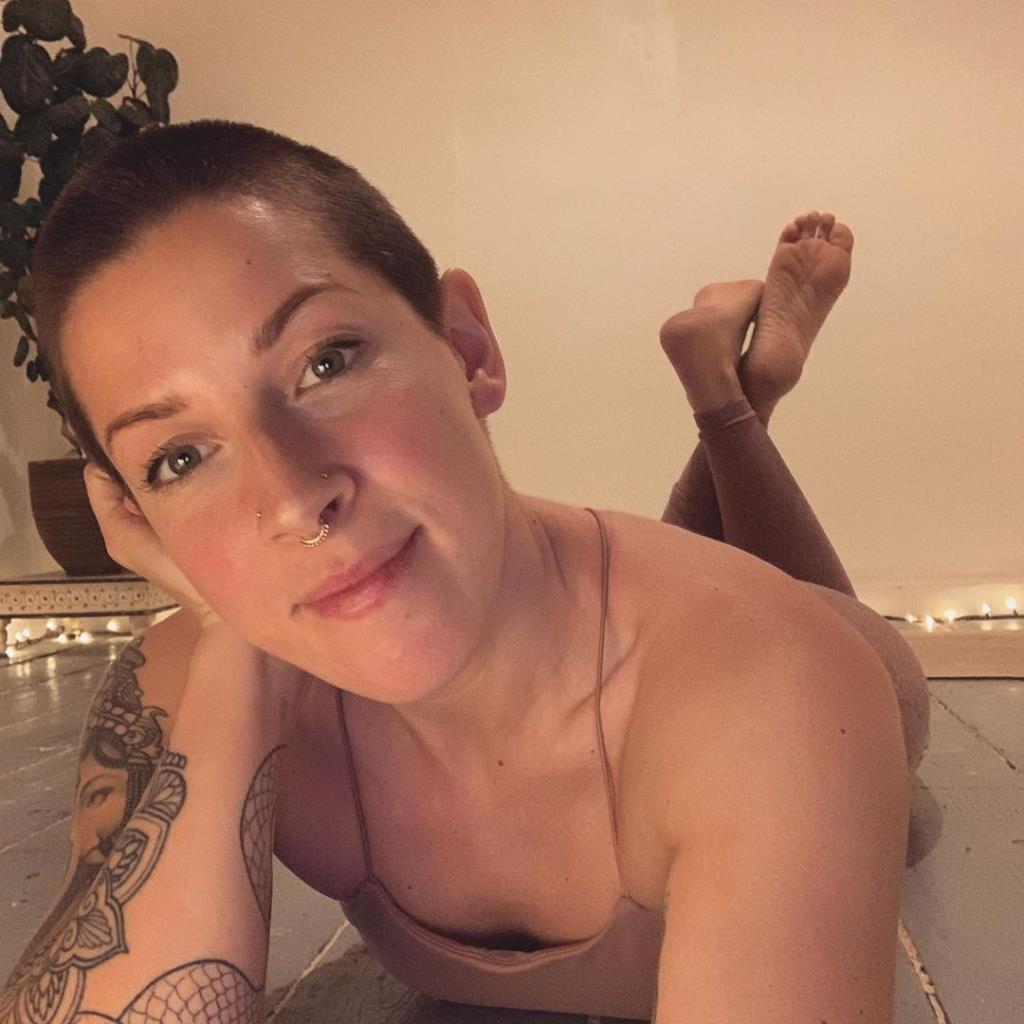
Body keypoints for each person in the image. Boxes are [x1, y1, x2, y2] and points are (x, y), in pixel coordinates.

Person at [0, 119, 929, 1024]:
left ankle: (732, 395)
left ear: (466, 347)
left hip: (819, 652)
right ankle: (730, 383)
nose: (291, 499)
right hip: (649, 614)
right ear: (135, 511)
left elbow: (765, 672)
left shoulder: (779, 686)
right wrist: (235, 642)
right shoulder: (181, 684)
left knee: (767, 609)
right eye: (178, 460)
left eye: (325, 362)